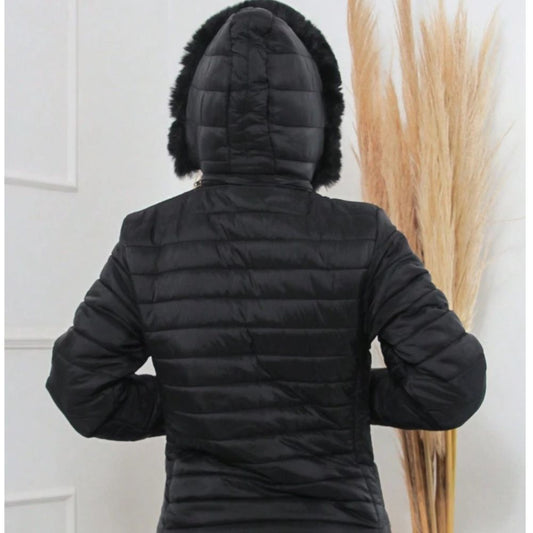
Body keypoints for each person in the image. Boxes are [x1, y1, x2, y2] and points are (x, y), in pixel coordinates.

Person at [44, 1, 487, 531]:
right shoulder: (364, 234)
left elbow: (81, 389)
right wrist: (343, 398)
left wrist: (197, 405)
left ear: (194, 118)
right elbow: (451, 385)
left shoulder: (151, 237)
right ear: (317, 121)